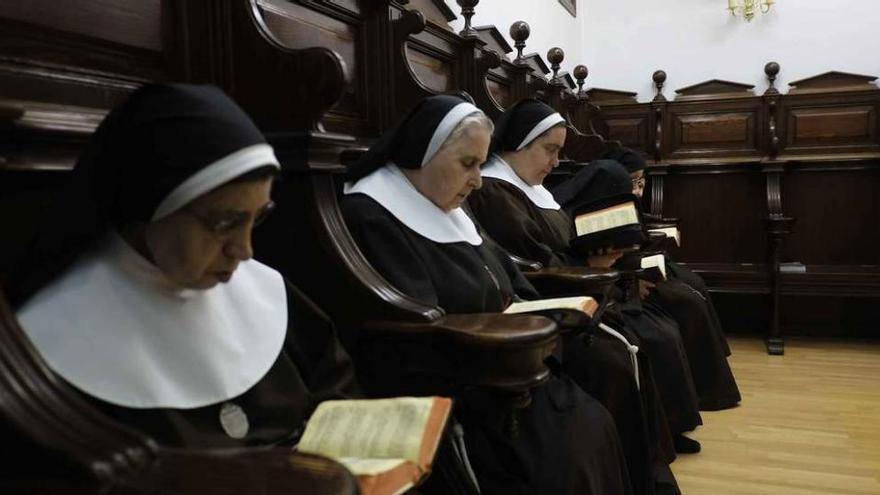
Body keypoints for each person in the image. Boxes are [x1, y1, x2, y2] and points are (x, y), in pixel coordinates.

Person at [14, 84, 359, 448]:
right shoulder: (50, 340)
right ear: (150, 202)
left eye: (257, 218)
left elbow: (341, 396)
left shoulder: (268, 293)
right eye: (224, 223)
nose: (244, 251)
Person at [341, 94, 634, 494]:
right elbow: (412, 333)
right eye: (468, 163)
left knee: (591, 418)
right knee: (569, 446)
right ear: (423, 152)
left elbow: (511, 279)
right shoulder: (372, 212)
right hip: (472, 383)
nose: (478, 179)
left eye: (480, 164)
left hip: (511, 363)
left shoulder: (449, 202)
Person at [467, 99, 701, 459]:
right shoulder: (497, 192)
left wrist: (597, 257)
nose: (556, 163)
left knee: (649, 333)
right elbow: (533, 264)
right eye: (550, 150)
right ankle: (643, 454)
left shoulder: (531, 188)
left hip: (582, 285)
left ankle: (659, 438)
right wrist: (591, 263)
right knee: (623, 353)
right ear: (519, 143)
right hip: (558, 298)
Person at [600, 147, 740, 410]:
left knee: (694, 285)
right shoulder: (599, 205)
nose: (639, 190)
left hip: (635, 271)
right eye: (633, 183)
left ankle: (709, 376)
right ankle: (701, 390)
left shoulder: (626, 201)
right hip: (623, 282)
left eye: (642, 182)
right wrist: (628, 282)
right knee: (686, 302)